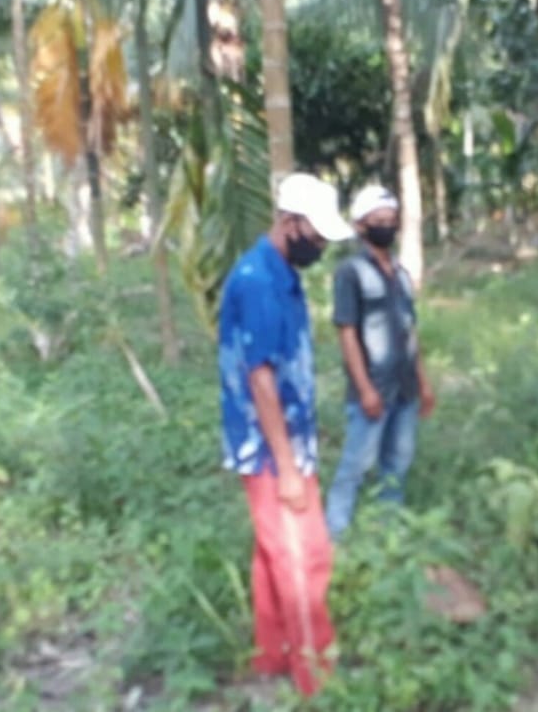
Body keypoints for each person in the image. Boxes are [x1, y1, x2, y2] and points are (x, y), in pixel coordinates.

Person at [217, 173, 355, 697]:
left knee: (274, 551)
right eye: (315, 235)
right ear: (289, 222)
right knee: (305, 556)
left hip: (287, 444)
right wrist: (289, 468)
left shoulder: (282, 275)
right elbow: (261, 380)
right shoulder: (258, 281)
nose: (320, 245)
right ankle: (316, 678)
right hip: (273, 453)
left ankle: (273, 656)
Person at [325, 185, 435, 539]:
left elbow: (409, 332)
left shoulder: (401, 274)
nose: (386, 226)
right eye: (378, 220)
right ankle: (335, 534)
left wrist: (424, 383)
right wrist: (365, 389)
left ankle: (390, 531)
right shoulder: (351, 272)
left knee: (398, 462)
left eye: (391, 220)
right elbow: (347, 332)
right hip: (373, 388)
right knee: (355, 465)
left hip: (404, 387)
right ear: (361, 225)